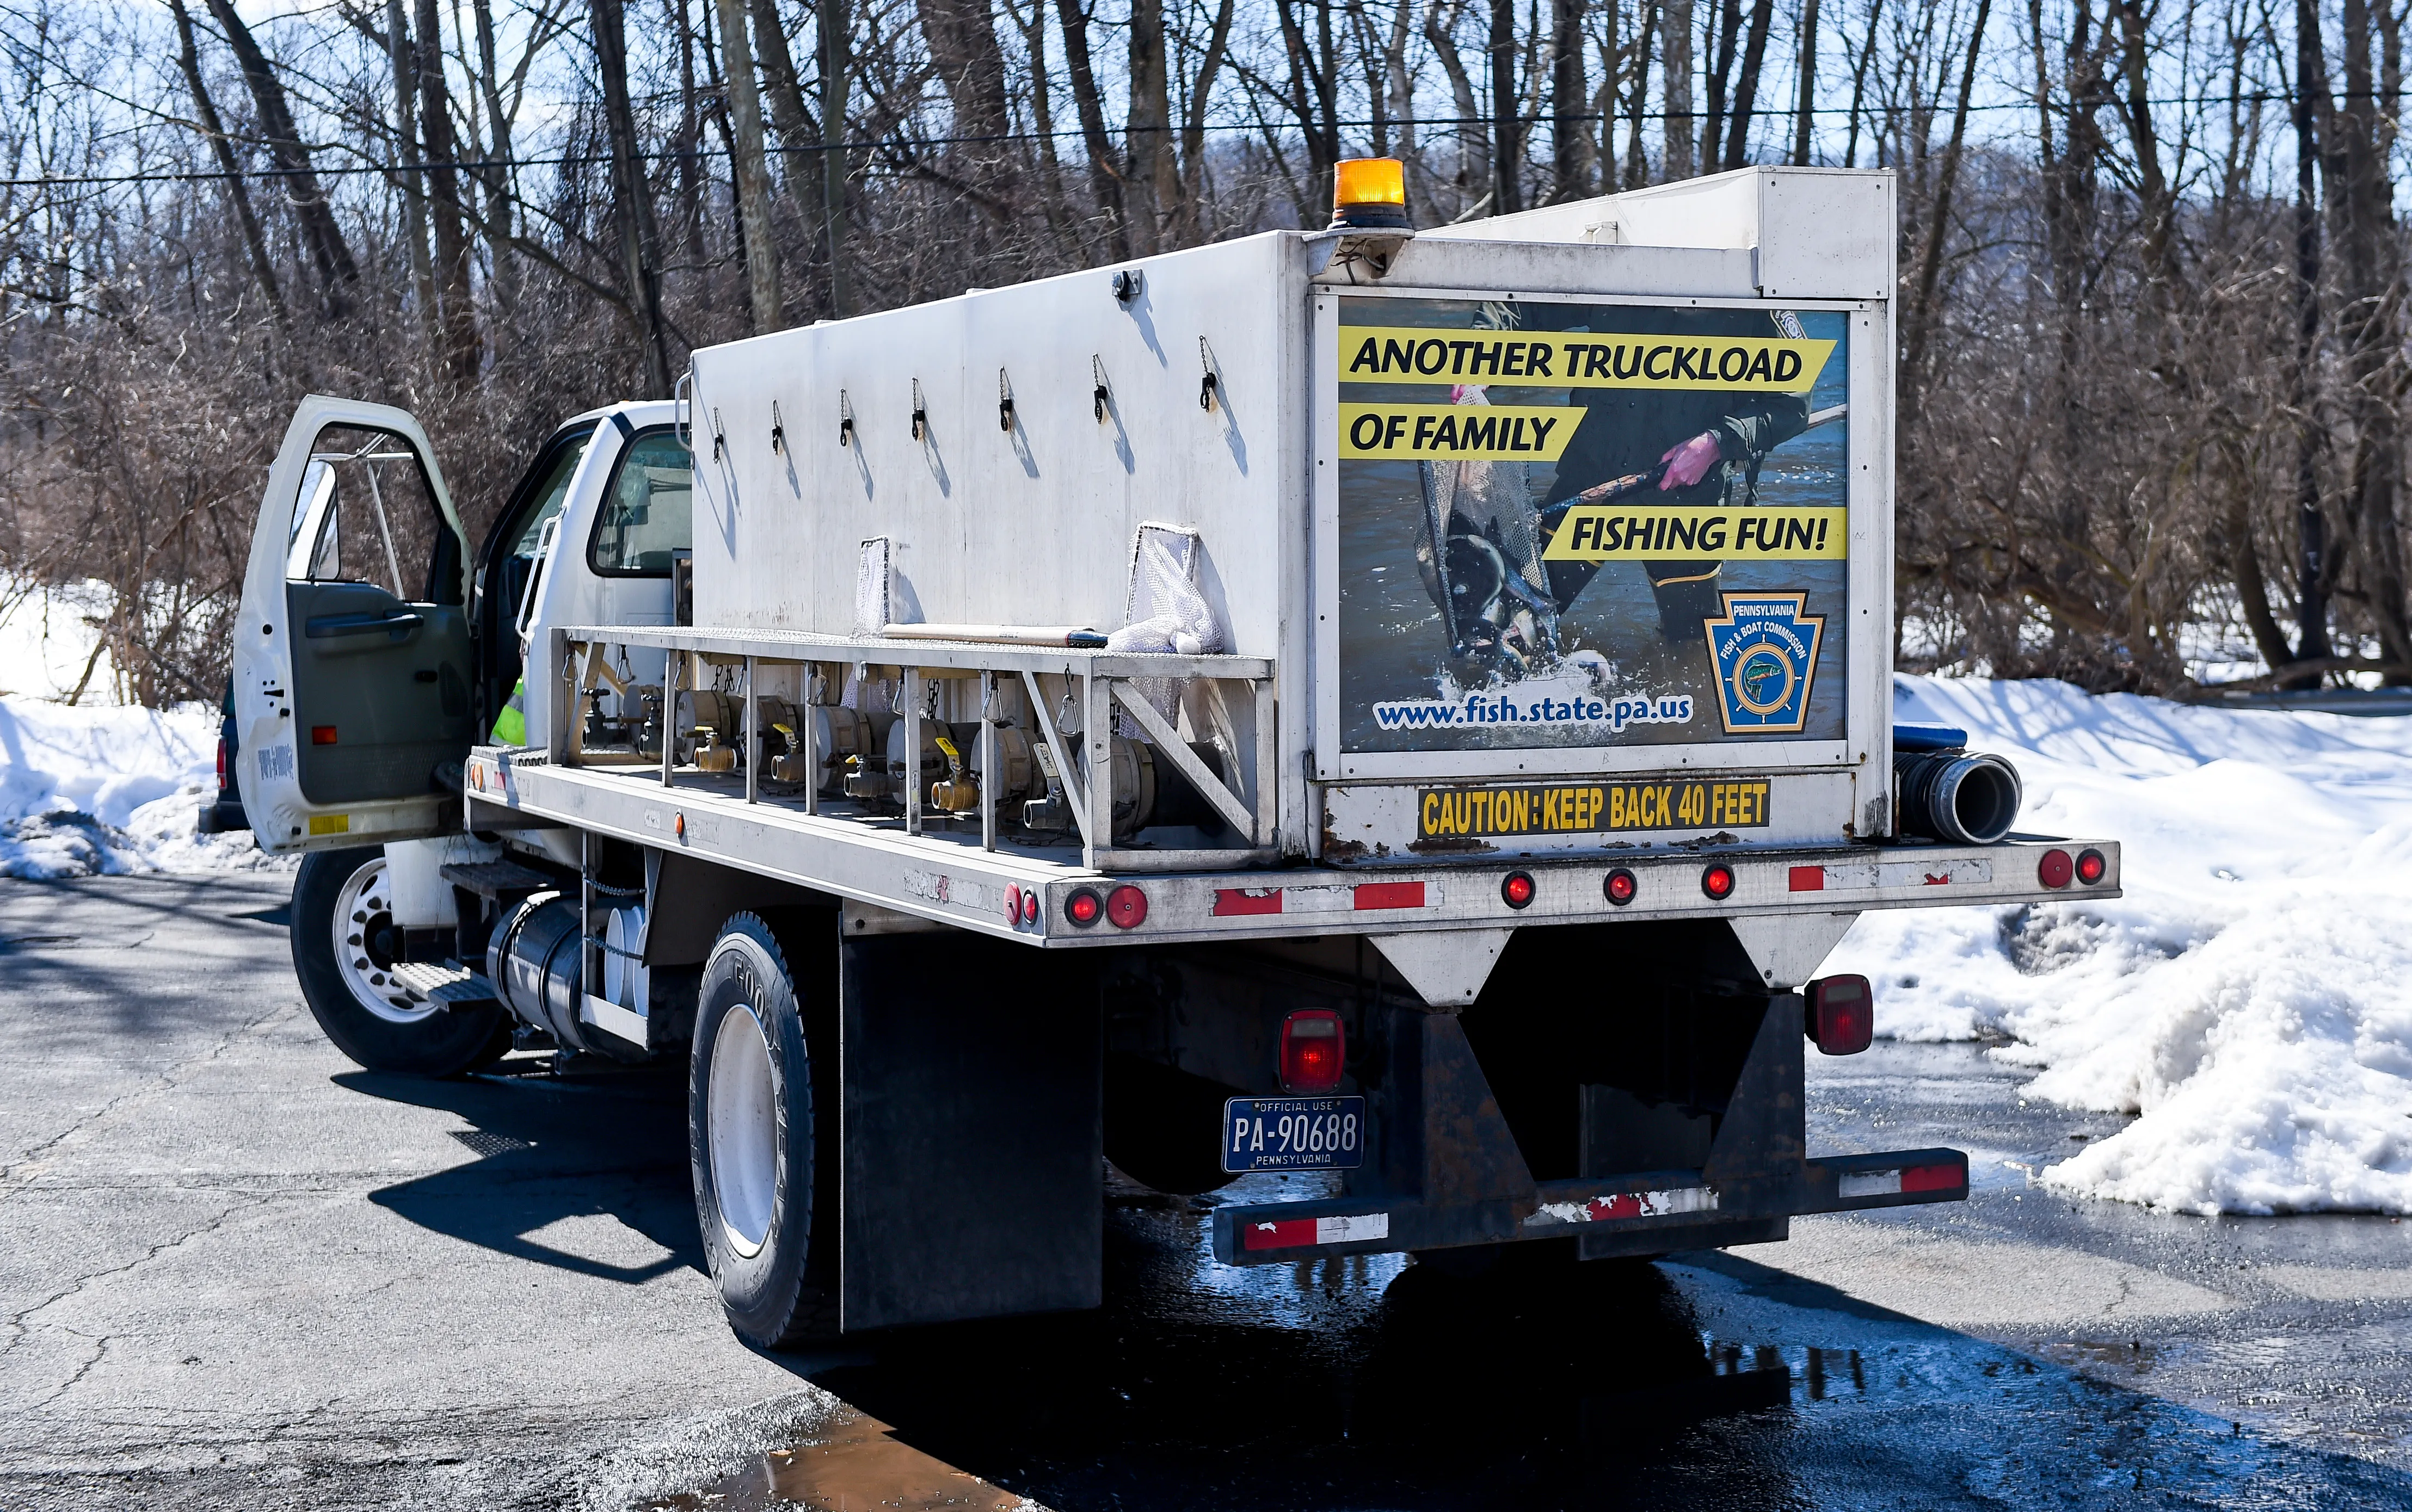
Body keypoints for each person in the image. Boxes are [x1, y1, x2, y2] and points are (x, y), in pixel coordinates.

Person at [1534, 303, 1811, 643]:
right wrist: (1482, 354)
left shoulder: (1754, 288)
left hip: (1687, 503)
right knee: (1518, 626)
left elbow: (1793, 403)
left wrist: (1716, 444)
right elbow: (1520, 303)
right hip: (1591, 479)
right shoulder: (1609, 261)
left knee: (1693, 651)